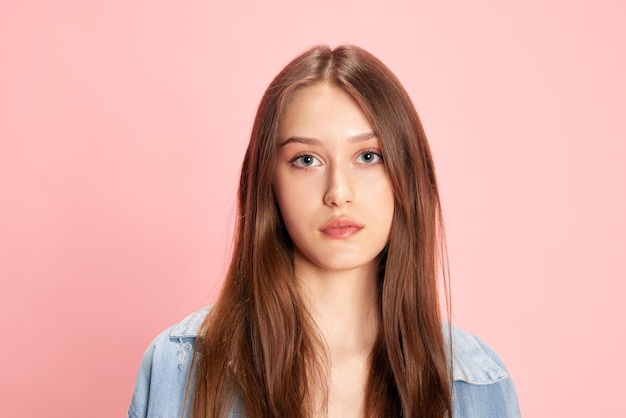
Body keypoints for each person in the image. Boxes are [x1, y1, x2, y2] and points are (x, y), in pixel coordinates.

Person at [128, 45, 520, 418]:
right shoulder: (180, 366)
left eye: (368, 157)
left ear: (407, 173)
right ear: (269, 182)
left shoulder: (476, 382)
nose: (338, 193)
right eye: (307, 159)